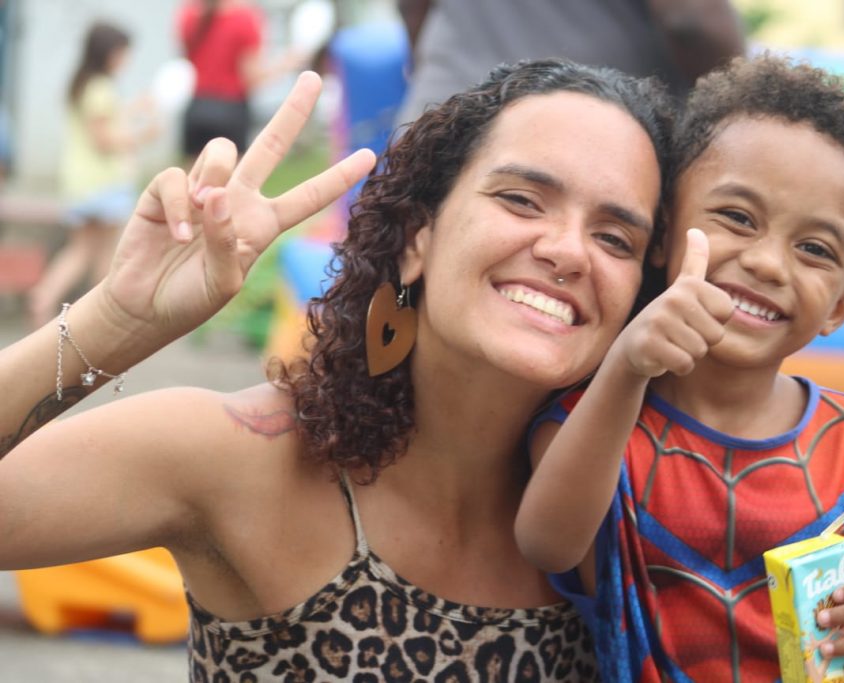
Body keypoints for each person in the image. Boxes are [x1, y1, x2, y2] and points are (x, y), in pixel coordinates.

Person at [1, 60, 678, 680]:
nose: (568, 251)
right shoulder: (245, 456)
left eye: (615, 238)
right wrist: (117, 321)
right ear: (416, 238)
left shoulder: (643, 514)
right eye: (522, 200)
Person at [515, 54, 844, 682]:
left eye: (814, 249)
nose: (768, 264)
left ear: (840, 308)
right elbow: (548, 544)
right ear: (664, 235)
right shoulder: (593, 423)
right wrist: (626, 368)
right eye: (738, 218)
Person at [396, 0, 746, 126]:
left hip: (440, 116)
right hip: (590, 139)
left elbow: (412, 7)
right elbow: (691, 19)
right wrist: (745, 109)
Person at [27, 21, 159, 330]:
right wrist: (143, 136)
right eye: (123, 52)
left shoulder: (84, 84)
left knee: (83, 250)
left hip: (82, 182)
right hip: (103, 183)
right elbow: (103, 140)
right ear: (110, 53)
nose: (126, 59)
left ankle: (46, 297)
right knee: (104, 253)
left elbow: (106, 121)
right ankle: (99, 317)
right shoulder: (101, 88)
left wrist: (132, 109)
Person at [177, 0, 305, 160]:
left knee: (194, 174)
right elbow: (253, 78)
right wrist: (285, 64)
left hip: (196, 109)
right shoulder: (244, 18)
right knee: (234, 175)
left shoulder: (189, 14)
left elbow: (187, 58)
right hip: (231, 111)